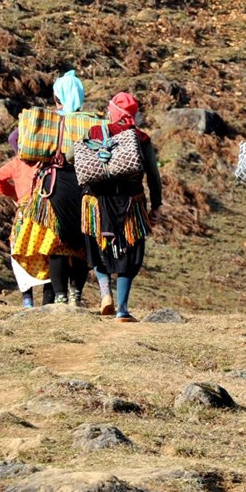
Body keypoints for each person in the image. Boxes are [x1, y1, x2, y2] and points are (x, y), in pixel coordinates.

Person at [82, 93, 162, 322]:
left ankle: (105, 293)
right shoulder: (141, 138)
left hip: (97, 203)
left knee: (99, 248)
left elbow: (76, 158)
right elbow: (153, 176)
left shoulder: (95, 132)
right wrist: (156, 205)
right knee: (130, 253)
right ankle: (122, 309)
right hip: (131, 204)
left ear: (112, 111)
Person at [38, 70, 90, 306]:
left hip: (55, 187)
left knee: (56, 243)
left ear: (57, 97)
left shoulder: (50, 122)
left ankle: (59, 296)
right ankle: (76, 294)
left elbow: (18, 140)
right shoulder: (92, 123)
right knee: (82, 242)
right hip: (86, 188)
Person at [0, 129, 52, 308]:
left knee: (20, 251)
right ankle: (49, 302)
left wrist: (14, 195)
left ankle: (27, 300)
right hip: (44, 212)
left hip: (24, 215)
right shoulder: (45, 161)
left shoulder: (17, 163)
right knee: (47, 251)